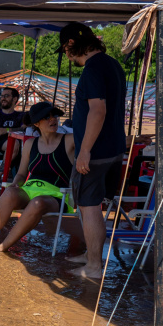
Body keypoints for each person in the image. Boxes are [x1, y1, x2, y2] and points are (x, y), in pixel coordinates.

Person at [59, 22, 126, 279]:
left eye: (66, 49)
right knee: (91, 205)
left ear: (72, 45)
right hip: (113, 147)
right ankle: (91, 255)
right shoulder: (112, 64)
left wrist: (84, 150)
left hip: (96, 152)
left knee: (89, 206)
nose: (66, 55)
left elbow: (98, 111)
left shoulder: (91, 70)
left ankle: (95, 266)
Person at [0, 102, 75, 252]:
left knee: (38, 202)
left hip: (56, 194)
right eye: (47, 117)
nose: (53, 120)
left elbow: (89, 139)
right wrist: (16, 183)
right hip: (30, 190)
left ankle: (3, 246)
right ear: (36, 123)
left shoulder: (69, 140)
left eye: (54, 116)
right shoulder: (30, 143)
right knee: (9, 192)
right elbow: (22, 173)